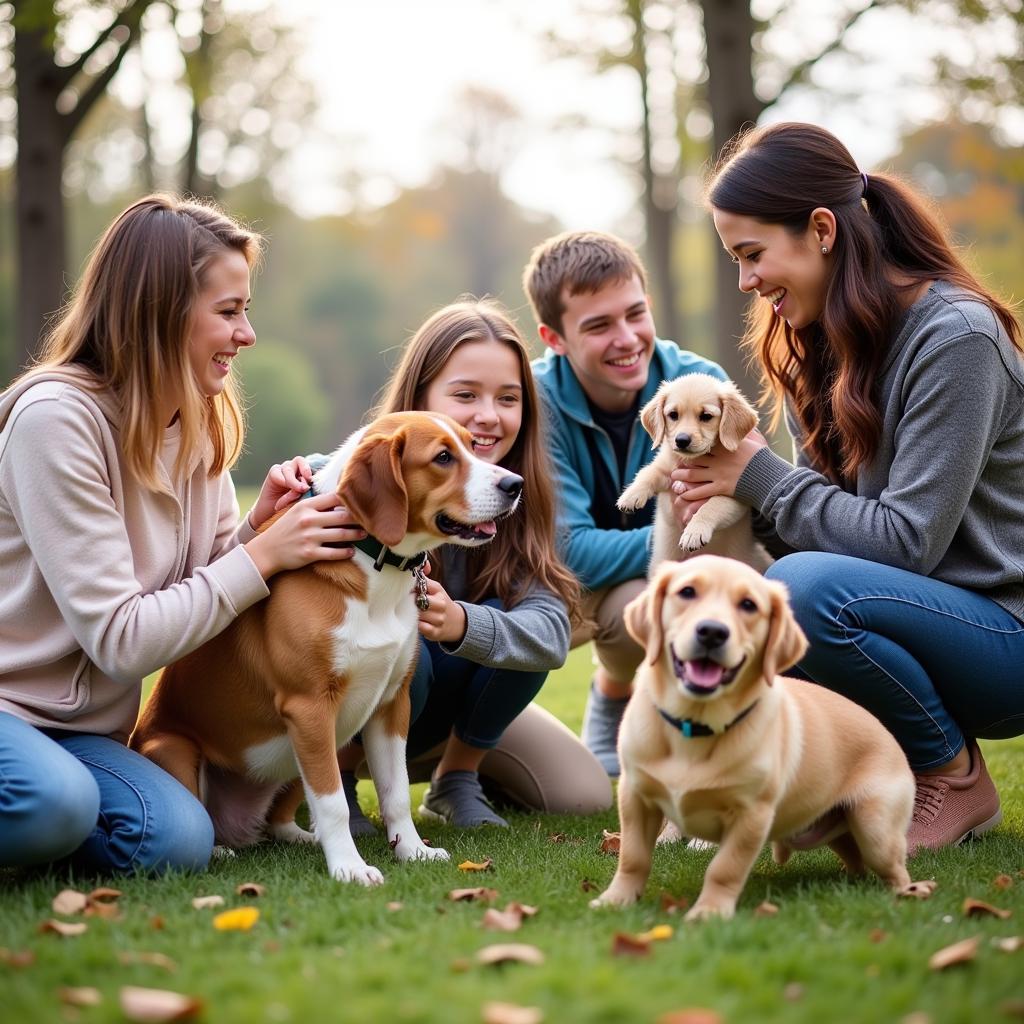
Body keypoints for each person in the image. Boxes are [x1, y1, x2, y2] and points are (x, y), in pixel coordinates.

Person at [679, 120, 1024, 853]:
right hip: (924, 616)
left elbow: (907, 543)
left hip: (1006, 634)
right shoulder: (827, 342)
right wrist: (732, 498)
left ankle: (953, 773)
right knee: (760, 594)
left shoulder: (955, 339)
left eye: (752, 255)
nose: (746, 281)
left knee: (799, 594)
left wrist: (760, 478)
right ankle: (832, 771)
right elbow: (814, 527)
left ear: (822, 230)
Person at [0, 194, 366, 874]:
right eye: (228, 312)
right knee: (55, 804)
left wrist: (259, 527)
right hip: (9, 710)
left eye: (245, 310)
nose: (246, 334)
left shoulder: (197, 422)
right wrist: (261, 556)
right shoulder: (56, 422)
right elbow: (124, 642)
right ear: (158, 314)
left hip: (84, 733)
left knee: (175, 841)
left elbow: (202, 592)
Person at [339, 299, 612, 829]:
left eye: (508, 398)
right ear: (420, 398)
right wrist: (264, 519)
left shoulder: (515, 496)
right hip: (350, 709)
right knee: (400, 632)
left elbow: (551, 633)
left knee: (582, 795)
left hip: (451, 715)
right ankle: (339, 779)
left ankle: (457, 777)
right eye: (465, 395)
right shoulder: (357, 479)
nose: (489, 415)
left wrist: (462, 623)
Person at [523, 231, 726, 776]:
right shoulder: (534, 399)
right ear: (554, 338)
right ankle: (463, 761)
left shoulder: (703, 388)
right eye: (598, 325)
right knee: (650, 588)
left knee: (663, 595)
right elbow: (569, 550)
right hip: (552, 592)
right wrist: (676, 536)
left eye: (635, 313)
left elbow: (731, 515)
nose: (627, 338)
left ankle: (632, 702)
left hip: (654, 579)